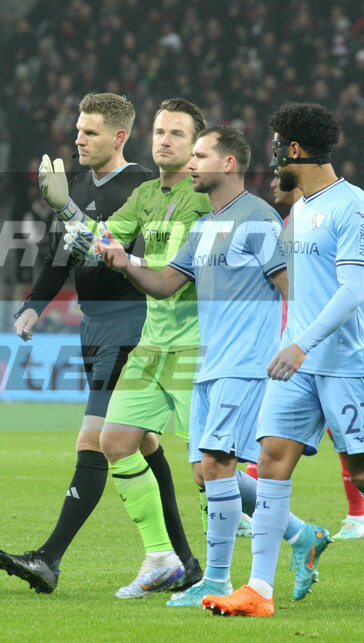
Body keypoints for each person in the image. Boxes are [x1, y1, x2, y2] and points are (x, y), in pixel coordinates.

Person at [202, 103, 364, 617]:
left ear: (295, 149)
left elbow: (352, 290)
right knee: (272, 463)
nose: (273, 155)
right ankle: (259, 590)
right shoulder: (300, 210)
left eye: (277, 145)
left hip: (347, 364)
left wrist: (301, 343)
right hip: (297, 367)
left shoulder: (355, 207)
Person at [95, 126, 331, 608]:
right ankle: (298, 537)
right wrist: (124, 263)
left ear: (228, 163)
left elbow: (293, 290)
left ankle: (218, 581)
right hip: (206, 364)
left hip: (245, 366)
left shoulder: (259, 219)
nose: (191, 164)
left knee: (216, 465)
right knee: (208, 472)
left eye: (200, 155)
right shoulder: (205, 226)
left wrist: (298, 348)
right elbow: (165, 284)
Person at [0, 93, 199, 594]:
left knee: (95, 439)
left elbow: (131, 255)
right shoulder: (78, 185)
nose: (79, 140)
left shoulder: (145, 187)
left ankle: (49, 558)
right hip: (94, 328)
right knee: (141, 445)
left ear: (119, 137)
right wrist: (33, 306)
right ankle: (186, 561)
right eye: (78, 131)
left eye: (90, 132)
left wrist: (67, 208)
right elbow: (58, 258)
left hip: (133, 326)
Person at [62, 99, 213, 597]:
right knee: (114, 442)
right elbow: (101, 241)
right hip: (152, 344)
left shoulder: (204, 199)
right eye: (160, 131)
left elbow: (173, 276)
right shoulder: (146, 194)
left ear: (197, 147)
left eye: (177, 134)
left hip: (196, 346)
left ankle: (289, 537)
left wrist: (127, 261)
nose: (164, 140)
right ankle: (161, 559)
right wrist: (66, 208)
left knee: (209, 470)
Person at [271, 164, 364, 541]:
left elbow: (349, 289)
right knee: (270, 443)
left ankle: (358, 517)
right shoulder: (289, 222)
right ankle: (263, 527)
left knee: (348, 445)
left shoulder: (341, 211)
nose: (273, 182)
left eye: (278, 175)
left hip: (328, 352)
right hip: (289, 347)